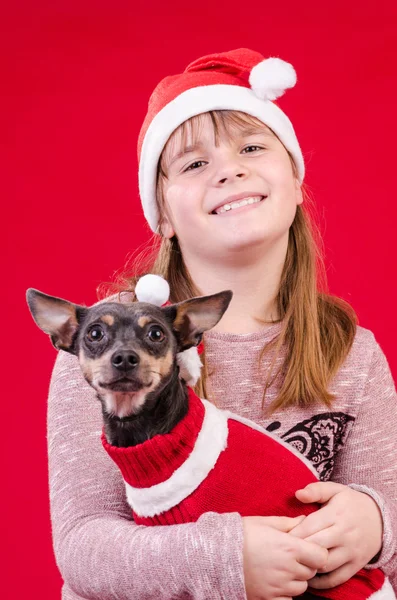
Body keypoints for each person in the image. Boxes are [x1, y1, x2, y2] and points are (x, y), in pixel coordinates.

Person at [48, 48, 397, 599]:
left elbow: (386, 523)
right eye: (193, 164)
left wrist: (376, 523)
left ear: (297, 181)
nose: (230, 169)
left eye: (252, 147)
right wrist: (225, 559)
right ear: (161, 214)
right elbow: (84, 547)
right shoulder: (107, 344)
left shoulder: (352, 354)